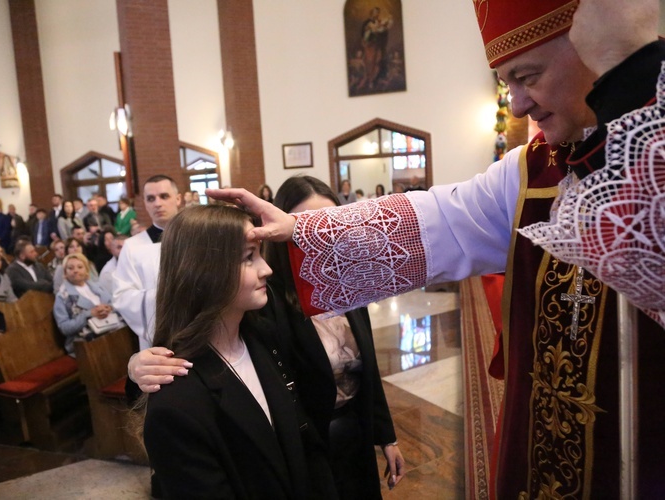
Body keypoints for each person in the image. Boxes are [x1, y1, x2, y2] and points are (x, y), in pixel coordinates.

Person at [204, 1, 665, 497]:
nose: (517, 106)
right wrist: (299, 228)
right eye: (506, 83)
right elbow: (442, 220)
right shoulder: (529, 173)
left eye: (527, 76)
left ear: (598, 48)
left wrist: (633, 70)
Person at [131, 177, 405, 498]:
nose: (322, 238)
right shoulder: (267, 307)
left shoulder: (260, 338)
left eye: (329, 226)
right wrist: (137, 365)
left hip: (342, 440)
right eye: (308, 227)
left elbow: (362, 374)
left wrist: (385, 436)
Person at [143, 205, 335, 499]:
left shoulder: (261, 336)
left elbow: (301, 438)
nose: (266, 269)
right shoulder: (177, 401)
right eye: (249, 257)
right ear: (205, 270)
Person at [112, 174, 181, 350]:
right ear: (145, 203)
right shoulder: (132, 247)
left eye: (164, 196)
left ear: (178, 199)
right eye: (151, 199)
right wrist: (167, 296)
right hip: (160, 342)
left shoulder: (200, 238)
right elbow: (122, 297)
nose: (157, 203)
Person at [53, 253, 118, 356]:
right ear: (65, 273)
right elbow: (64, 327)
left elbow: (115, 303)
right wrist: (89, 314)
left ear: (86, 270)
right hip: (84, 341)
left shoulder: (97, 286)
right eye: (70, 268)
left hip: (110, 327)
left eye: (80, 267)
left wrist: (109, 308)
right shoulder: (62, 296)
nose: (76, 270)